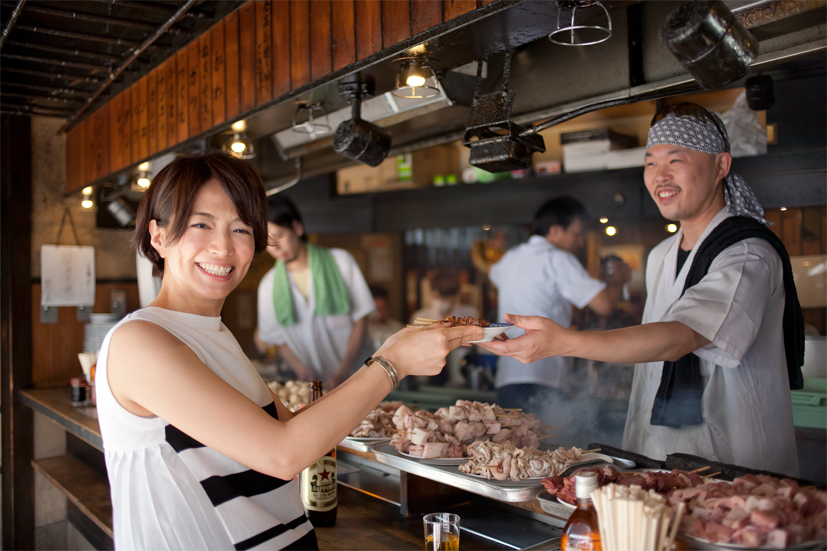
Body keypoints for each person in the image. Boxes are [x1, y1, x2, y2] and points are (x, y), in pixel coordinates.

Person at [96, 151, 484, 550]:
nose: (223, 247)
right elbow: (283, 454)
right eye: (201, 224)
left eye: (242, 229)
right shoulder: (140, 341)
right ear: (158, 235)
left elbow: (295, 430)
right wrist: (392, 363)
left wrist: (388, 350)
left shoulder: (214, 335)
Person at [479, 103, 804, 477]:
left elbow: (679, 337)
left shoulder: (748, 254)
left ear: (721, 166)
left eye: (675, 160)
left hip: (736, 459)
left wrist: (563, 342)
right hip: (663, 453)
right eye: (650, 163)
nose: (659, 176)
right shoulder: (662, 255)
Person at [486, 197, 630, 435]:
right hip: (543, 377)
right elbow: (604, 304)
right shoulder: (558, 258)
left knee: (512, 457)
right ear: (554, 230)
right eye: (576, 234)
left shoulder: (511, 257)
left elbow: (494, 275)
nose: (580, 242)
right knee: (546, 459)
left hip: (507, 378)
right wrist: (619, 279)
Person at [256, 196, 375, 389]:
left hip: (359, 377)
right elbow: (278, 339)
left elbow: (361, 319)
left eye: (278, 235)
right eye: (266, 241)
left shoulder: (341, 262)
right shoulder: (268, 286)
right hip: (315, 385)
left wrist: (342, 373)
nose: (275, 247)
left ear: (297, 228)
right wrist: (300, 368)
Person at [410, 270, 480, 386]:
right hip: (426, 380)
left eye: (450, 296)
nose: (446, 300)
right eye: (442, 296)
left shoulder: (470, 314)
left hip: (462, 378)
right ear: (433, 293)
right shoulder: (420, 317)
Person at [368, 284, 404, 350]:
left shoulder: (398, 329)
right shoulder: (361, 332)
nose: (379, 315)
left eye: (383, 309)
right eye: (375, 310)